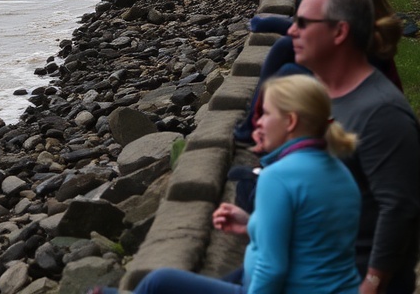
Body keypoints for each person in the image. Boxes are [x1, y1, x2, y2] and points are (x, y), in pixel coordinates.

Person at [89, 75, 361, 294]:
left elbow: (273, 269)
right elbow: (312, 242)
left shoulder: (277, 177)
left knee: (157, 282)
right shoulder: (339, 171)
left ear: (290, 121)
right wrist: (251, 226)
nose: (258, 121)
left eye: (265, 114)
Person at [290, 0, 420, 293]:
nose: (292, 31)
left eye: (303, 23)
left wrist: (372, 283)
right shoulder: (321, 93)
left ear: (339, 32)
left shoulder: (381, 113)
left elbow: (400, 207)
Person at [233, 0, 403, 145]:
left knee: (286, 63)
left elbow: (337, 62)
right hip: (347, 89)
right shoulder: (356, 11)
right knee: (286, 48)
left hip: (353, 103)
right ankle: (256, 124)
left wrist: (271, 24)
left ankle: (254, 128)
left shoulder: (358, 20)